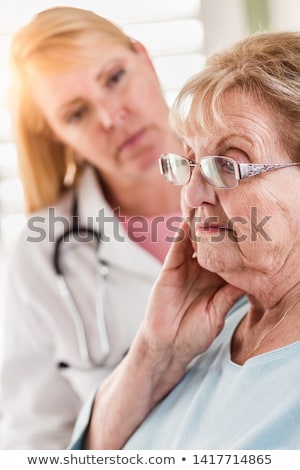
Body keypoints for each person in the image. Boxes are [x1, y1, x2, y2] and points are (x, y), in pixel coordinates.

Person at [70, 30, 300, 450]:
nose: (192, 195)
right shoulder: (206, 328)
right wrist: (154, 352)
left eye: (228, 166)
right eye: (190, 163)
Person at [0, 6, 183, 449]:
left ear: (144, 58)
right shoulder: (40, 254)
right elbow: (35, 440)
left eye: (114, 77)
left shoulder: (264, 177)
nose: (111, 117)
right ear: (57, 135)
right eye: (77, 113)